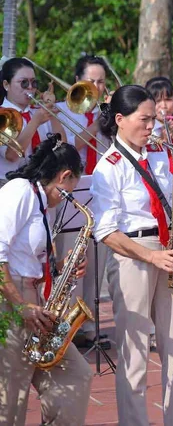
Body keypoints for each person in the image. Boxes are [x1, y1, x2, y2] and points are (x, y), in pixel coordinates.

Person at [90, 85, 173, 425]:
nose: (152, 126)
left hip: (170, 248)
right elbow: (106, 232)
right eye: (144, 119)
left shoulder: (160, 155)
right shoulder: (108, 167)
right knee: (134, 353)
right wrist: (151, 257)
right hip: (133, 255)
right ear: (120, 119)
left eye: (153, 118)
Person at [0, 135, 93, 425]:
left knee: (76, 374)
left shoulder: (43, 204)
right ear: (64, 176)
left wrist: (63, 267)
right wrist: (20, 306)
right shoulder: (19, 191)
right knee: (11, 399)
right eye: (71, 188)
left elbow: (31, 258)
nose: (68, 197)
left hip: (35, 301)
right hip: (11, 301)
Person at [53, 55, 112, 350]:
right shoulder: (62, 111)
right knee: (71, 261)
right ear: (77, 81)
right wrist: (96, 125)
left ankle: (89, 325)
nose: (97, 87)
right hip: (71, 194)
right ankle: (65, 327)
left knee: (96, 264)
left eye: (101, 81)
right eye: (91, 81)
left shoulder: (108, 113)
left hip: (100, 193)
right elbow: (68, 150)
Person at [0, 57, 62, 180]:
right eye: (24, 82)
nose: (30, 88)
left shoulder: (39, 112)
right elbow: (11, 155)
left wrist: (51, 111)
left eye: (34, 83)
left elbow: (62, 146)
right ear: (6, 85)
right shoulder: (2, 115)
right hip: (9, 183)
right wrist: (35, 122)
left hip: (42, 182)